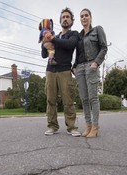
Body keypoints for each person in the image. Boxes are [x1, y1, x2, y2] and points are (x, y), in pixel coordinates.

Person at [41, 7, 81, 137]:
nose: (65, 19)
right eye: (63, 17)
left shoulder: (74, 34)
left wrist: (52, 39)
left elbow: (69, 45)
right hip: (50, 71)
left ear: (71, 21)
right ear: (60, 20)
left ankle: (72, 127)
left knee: (68, 100)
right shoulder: (53, 35)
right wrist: (44, 42)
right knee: (50, 100)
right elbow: (43, 55)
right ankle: (52, 126)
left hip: (64, 71)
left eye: (67, 17)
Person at [72, 8, 108, 138]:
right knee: (84, 99)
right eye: (81, 16)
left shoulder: (97, 30)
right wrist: (74, 67)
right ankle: (88, 126)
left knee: (93, 98)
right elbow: (78, 54)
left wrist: (96, 62)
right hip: (80, 69)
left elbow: (104, 47)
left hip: (91, 66)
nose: (84, 18)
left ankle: (95, 126)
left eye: (86, 15)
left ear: (90, 18)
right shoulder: (79, 36)